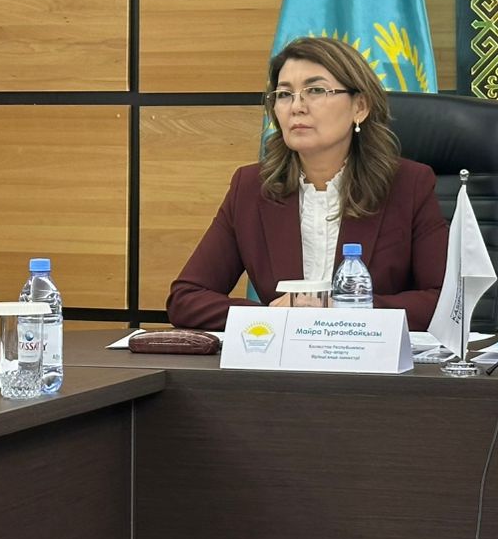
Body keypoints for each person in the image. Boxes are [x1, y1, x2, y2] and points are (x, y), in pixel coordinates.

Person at [168, 36, 448, 331]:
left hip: (372, 357)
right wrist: (272, 316)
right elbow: (186, 299)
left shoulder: (409, 185)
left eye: (315, 90)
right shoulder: (251, 188)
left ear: (360, 106)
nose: (296, 107)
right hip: (284, 357)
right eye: (284, 94)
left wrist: (343, 310)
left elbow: (444, 302)